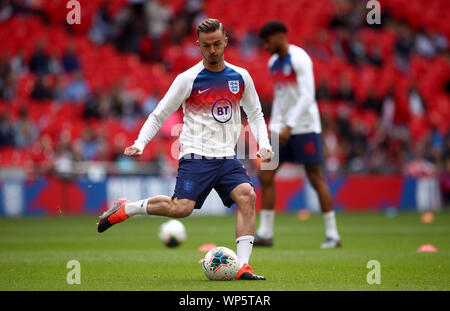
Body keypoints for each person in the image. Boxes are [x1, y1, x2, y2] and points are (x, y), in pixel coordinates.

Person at [97, 18, 274, 280]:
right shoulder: (188, 79)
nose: (212, 50)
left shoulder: (240, 77)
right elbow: (159, 114)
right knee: (181, 209)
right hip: (196, 154)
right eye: (206, 46)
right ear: (198, 45)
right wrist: (140, 143)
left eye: (216, 44)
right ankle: (127, 208)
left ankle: (242, 266)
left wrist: (266, 144)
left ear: (225, 41)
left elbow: (256, 114)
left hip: (226, 156)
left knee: (247, 196)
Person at [255, 21, 341, 249]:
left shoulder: (299, 58)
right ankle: (265, 233)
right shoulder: (273, 62)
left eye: (267, 40)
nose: (265, 46)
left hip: (305, 127)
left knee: (315, 177)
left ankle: (333, 235)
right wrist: (273, 128)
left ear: (280, 36)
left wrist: (289, 126)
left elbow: (307, 95)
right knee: (265, 174)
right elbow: (281, 98)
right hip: (282, 129)